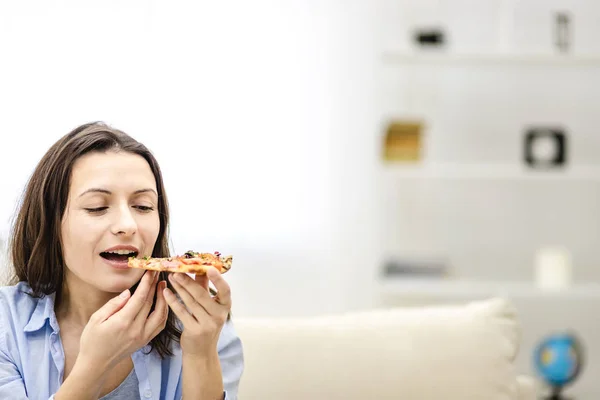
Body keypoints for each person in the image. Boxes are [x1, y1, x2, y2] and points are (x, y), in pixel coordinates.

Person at [0, 122, 244, 399]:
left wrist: (201, 353)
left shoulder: (203, 322)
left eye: (143, 207)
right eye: (97, 207)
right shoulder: (5, 324)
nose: (127, 225)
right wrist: (94, 366)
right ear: (50, 223)